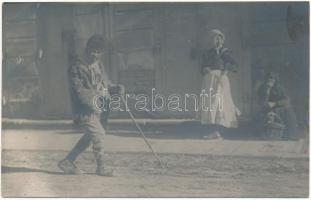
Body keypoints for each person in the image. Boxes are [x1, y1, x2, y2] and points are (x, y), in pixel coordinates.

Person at [58, 35, 123, 176]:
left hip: (100, 107)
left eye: (99, 52)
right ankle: (102, 168)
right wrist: (96, 99)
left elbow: (104, 83)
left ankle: (67, 161)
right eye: (92, 51)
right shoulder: (76, 67)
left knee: (91, 136)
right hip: (85, 109)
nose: (95, 55)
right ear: (87, 49)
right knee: (98, 133)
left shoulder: (99, 64)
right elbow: (78, 92)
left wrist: (114, 88)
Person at [198, 29, 241, 139]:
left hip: (220, 80)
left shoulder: (225, 52)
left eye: (219, 38)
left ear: (222, 40)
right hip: (209, 81)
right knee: (211, 104)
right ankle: (213, 131)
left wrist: (225, 71)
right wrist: (205, 69)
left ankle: (220, 131)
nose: (217, 40)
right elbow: (201, 67)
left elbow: (235, 64)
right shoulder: (207, 53)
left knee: (220, 104)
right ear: (211, 40)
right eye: (214, 38)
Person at [257, 71, 297, 140]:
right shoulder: (262, 88)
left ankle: (290, 134)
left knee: (288, 110)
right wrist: (267, 91)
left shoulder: (280, 88)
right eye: (268, 79)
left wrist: (276, 103)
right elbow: (261, 102)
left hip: (278, 107)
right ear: (266, 80)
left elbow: (287, 100)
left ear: (275, 80)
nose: (270, 81)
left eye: (272, 79)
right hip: (266, 108)